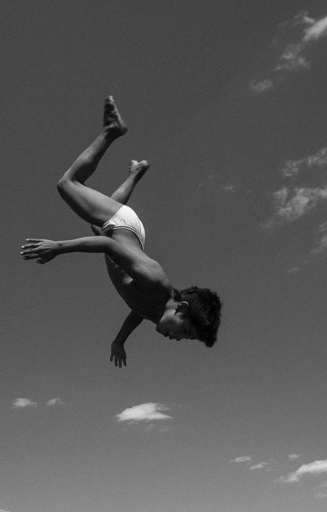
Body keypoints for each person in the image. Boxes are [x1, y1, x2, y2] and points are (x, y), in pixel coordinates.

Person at [21, 97, 221, 368]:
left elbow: (136, 311)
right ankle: (112, 130)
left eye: (185, 339)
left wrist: (119, 341)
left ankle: (135, 173)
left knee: (99, 224)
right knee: (68, 184)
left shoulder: (155, 311)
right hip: (123, 227)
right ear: (181, 308)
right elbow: (109, 247)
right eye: (184, 331)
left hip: (128, 232)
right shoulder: (155, 281)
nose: (177, 338)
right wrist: (59, 247)